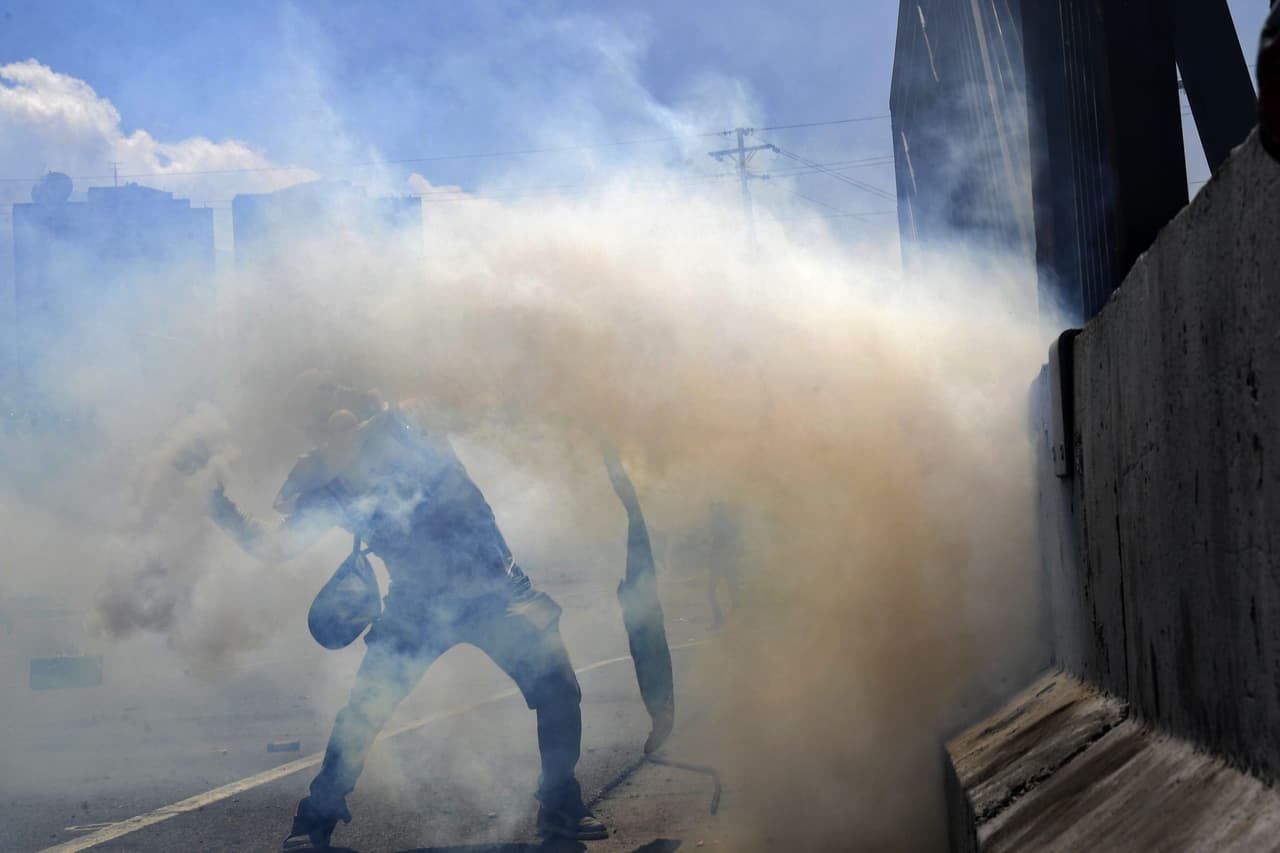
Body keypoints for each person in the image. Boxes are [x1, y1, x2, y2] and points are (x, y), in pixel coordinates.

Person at [210, 373, 607, 849]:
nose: (339, 413)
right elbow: (275, 547)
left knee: (558, 688)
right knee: (363, 712)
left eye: (345, 400)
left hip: (493, 588)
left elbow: (467, 396)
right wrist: (220, 506)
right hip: (417, 604)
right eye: (327, 412)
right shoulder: (326, 483)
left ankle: (561, 803)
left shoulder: (412, 427)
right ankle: (316, 816)